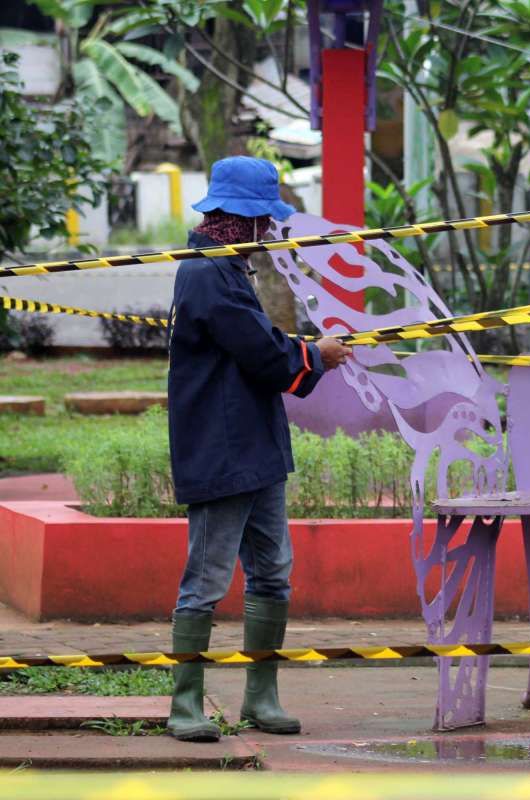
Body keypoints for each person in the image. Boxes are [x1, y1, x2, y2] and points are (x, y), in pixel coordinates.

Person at [165, 156, 352, 742]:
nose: (270, 232)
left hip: (256, 445)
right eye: (264, 221)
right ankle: (185, 706)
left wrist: (302, 350)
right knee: (207, 578)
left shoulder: (226, 267)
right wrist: (318, 354)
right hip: (223, 451)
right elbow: (267, 357)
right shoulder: (206, 273)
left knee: (272, 573)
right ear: (241, 219)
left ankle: (261, 698)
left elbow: (261, 345)